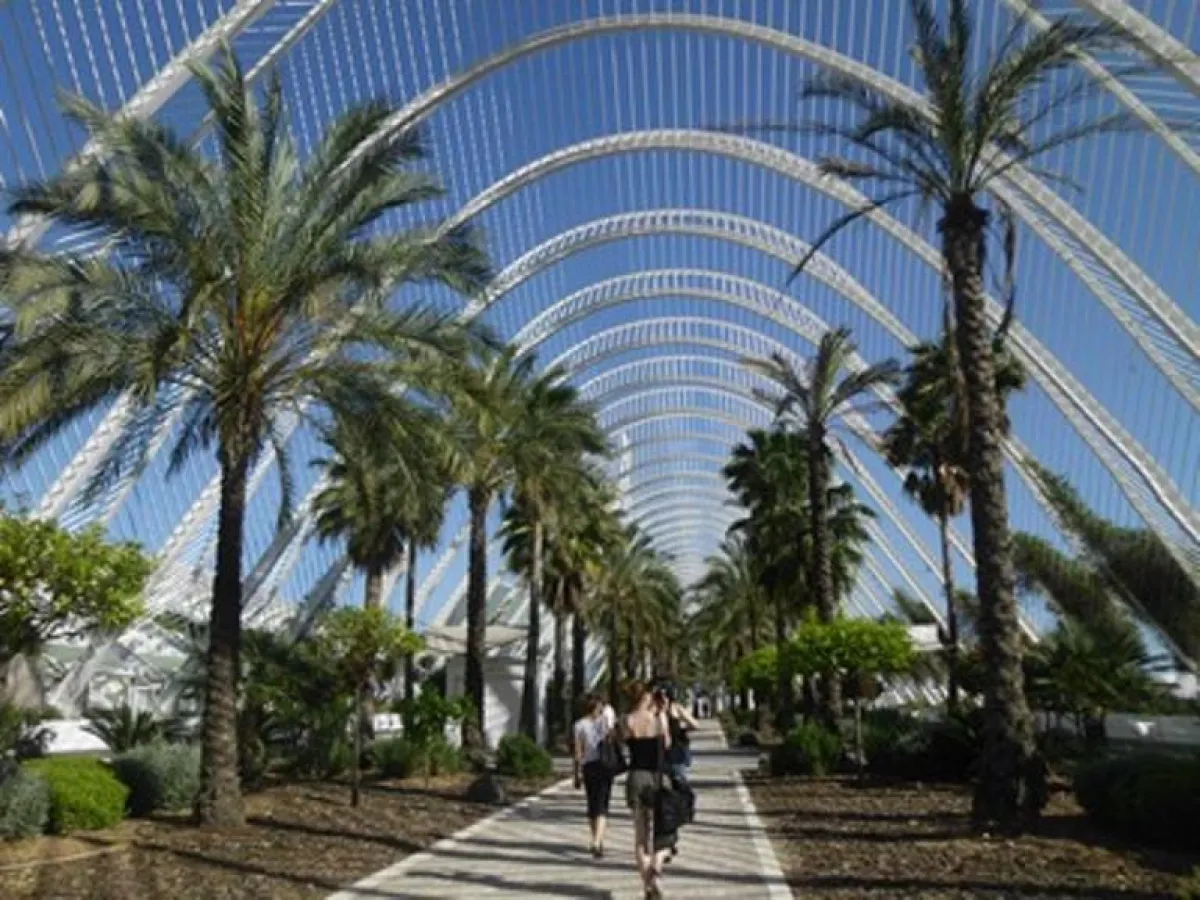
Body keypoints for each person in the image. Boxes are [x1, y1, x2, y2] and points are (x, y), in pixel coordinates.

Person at [623, 681, 673, 899]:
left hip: (636, 776)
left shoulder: (627, 720)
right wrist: (662, 712)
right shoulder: (658, 718)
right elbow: (667, 744)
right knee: (663, 830)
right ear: (645, 697)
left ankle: (648, 884)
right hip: (658, 777)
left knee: (641, 836)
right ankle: (656, 868)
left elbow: (623, 741)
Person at [573, 694, 615, 858]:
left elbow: (578, 752)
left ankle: (596, 838)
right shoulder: (605, 722)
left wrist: (576, 773)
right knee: (602, 803)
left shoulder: (579, 725)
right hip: (605, 765)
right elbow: (613, 739)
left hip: (588, 766)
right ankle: (597, 841)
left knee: (592, 804)